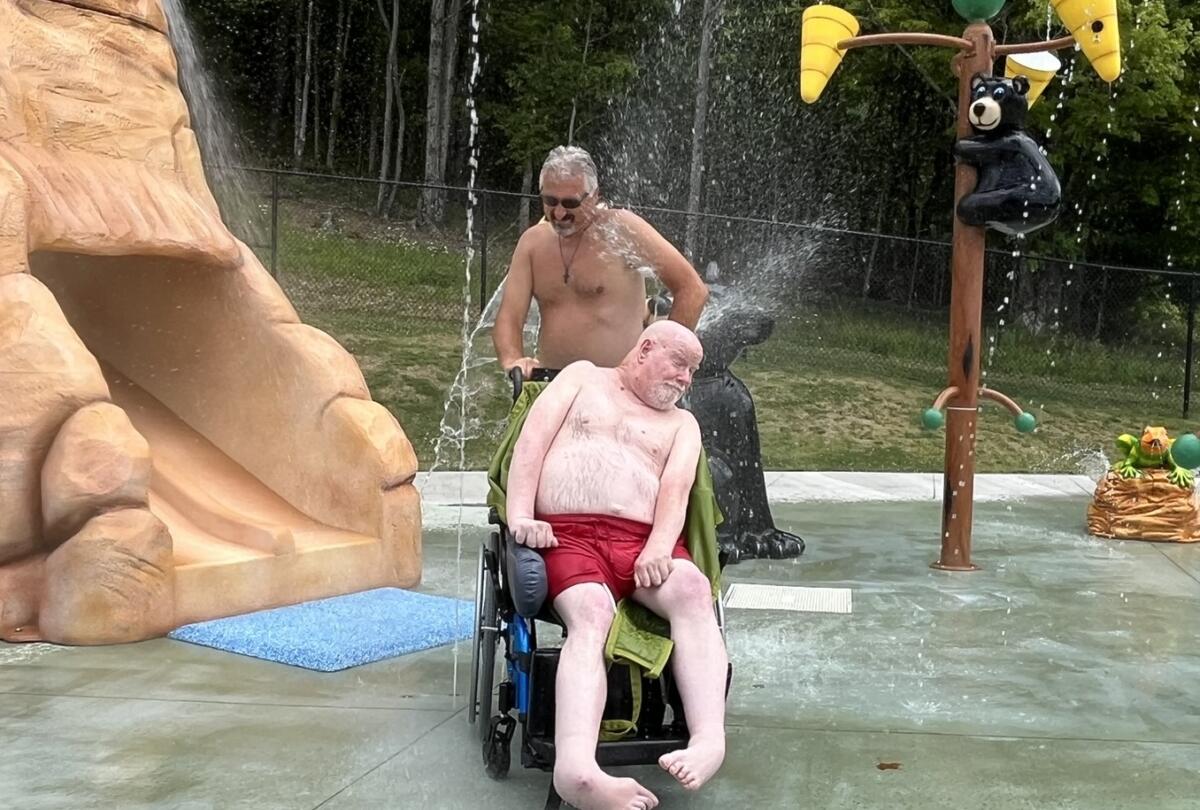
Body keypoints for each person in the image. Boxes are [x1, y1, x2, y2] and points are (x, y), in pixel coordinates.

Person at [506, 321, 727, 810]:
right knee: (591, 612)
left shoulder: (682, 425)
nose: (686, 378)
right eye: (680, 364)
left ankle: (709, 738)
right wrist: (520, 515)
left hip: (642, 541)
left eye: (693, 370)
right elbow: (531, 445)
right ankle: (576, 769)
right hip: (567, 535)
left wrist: (659, 546)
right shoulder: (582, 378)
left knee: (693, 591)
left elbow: (676, 491)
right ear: (645, 349)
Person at [493, 146, 709, 377]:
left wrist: (663, 361)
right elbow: (509, 317)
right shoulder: (532, 243)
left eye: (570, 203)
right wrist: (513, 359)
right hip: (553, 384)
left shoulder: (621, 230)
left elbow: (692, 290)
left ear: (594, 195)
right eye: (550, 201)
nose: (559, 213)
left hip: (620, 385)